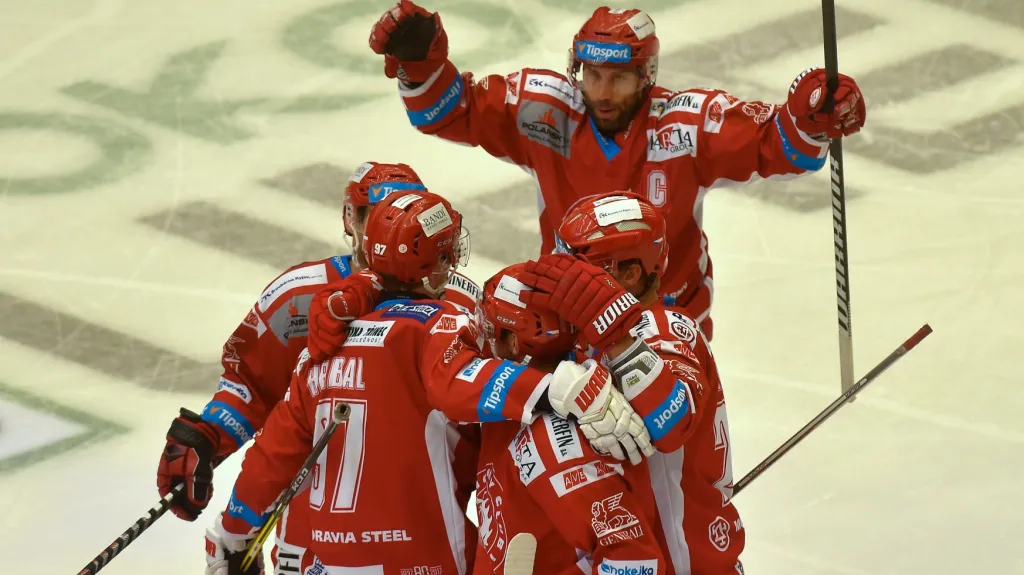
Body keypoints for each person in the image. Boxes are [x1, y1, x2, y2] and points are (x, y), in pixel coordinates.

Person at [203, 189, 653, 574]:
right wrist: (558, 387)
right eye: (446, 253)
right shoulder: (441, 323)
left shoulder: (320, 348)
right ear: (432, 266)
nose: (453, 261)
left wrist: (231, 531)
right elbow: (456, 384)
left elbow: (272, 457)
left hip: (323, 560)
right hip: (421, 557)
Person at [367, 1, 867, 340]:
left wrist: (811, 118)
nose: (603, 93)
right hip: (565, 315)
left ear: (646, 77)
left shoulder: (684, 126)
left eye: (620, 79)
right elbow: (453, 112)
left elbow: (770, 144)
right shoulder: (545, 111)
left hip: (667, 320)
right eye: (594, 76)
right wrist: (420, 64)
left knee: (671, 462)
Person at [155, 162, 481, 575]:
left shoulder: (457, 300)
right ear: (353, 219)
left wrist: (234, 528)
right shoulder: (299, 295)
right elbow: (251, 382)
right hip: (327, 530)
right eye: (375, 214)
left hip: (403, 514)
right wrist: (211, 434)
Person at [519, 192, 746, 574]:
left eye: (581, 269)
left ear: (630, 273)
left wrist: (611, 327)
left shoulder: (667, 329)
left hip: (683, 564)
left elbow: (672, 424)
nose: (565, 279)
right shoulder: (589, 340)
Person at [473, 264, 671, 574]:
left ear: (514, 343)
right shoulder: (525, 399)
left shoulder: (555, 440)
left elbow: (635, 561)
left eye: (492, 330)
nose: (484, 340)